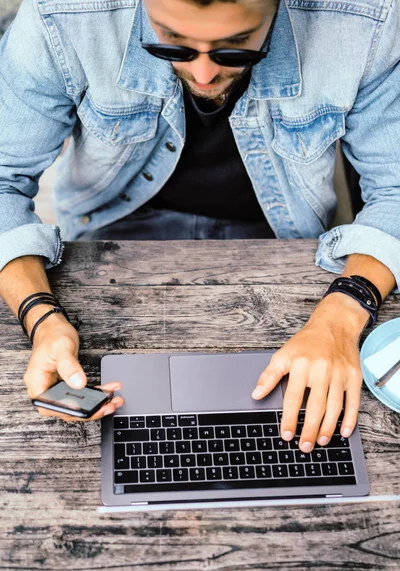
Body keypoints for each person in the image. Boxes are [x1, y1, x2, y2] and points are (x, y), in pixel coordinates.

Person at [0, 0, 399, 454]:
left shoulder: (366, 19)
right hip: (107, 244)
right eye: (172, 43)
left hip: (285, 243)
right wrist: (41, 317)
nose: (205, 76)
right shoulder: (62, 14)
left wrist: (343, 315)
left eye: (236, 49)